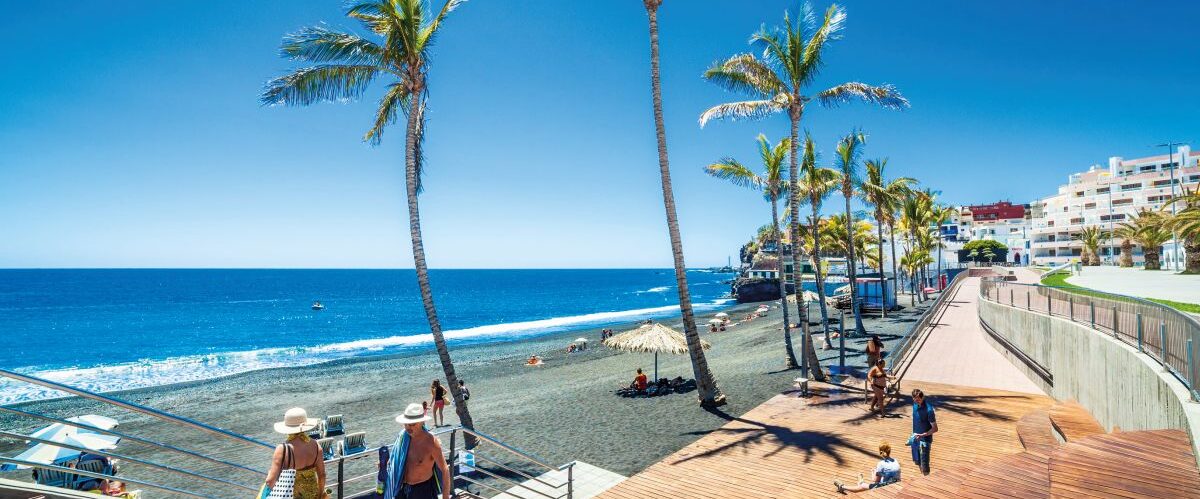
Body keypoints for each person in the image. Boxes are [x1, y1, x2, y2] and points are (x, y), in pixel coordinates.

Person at [384, 403, 451, 499]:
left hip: (422, 490)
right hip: (401, 489)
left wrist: (445, 497)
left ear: (421, 422)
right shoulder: (402, 438)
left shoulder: (431, 442)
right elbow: (396, 460)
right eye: (405, 424)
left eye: (412, 424)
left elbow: (445, 470)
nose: (408, 427)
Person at [266, 407, 327, 499]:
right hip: (313, 495)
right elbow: (322, 475)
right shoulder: (316, 445)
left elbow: (270, 481)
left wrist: (269, 474)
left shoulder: (282, 449)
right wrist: (320, 494)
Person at [834, 442, 901, 493]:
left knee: (863, 486)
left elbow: (875, 480)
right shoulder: (895, 461)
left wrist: (873, 472)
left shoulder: (881, 464)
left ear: (880, 452)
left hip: (886, 487)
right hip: (896, 484)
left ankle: (842, 487)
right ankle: (860, 482)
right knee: (872, 483)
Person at [910, 389, 938, 475]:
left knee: (925, 467)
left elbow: (935, 428)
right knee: (918, 462)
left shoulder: (929, 410)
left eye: (918, 399)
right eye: (914, 399)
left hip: (925, 441)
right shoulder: (915, 405)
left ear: (923, 398)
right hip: (915, 439)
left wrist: (923, 434)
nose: (916, 401)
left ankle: (925, 479)